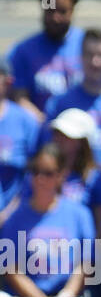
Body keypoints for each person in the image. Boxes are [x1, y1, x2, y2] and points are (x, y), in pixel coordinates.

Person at [0, 145, 96, 297]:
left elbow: (88, 262)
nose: (40, 179)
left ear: (61, 175)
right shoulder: (15, 218)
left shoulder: (80, 214)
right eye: (35, 171)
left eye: (48, 173)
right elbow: (10, 268)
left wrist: (67, 295)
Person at [46, 28, 101, 179]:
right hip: (76, 191)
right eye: (89, 54)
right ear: (80, 57)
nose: (95, 62)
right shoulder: (60, 103)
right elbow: (49, 151)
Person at [6, 0, 83, 119]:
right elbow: (19, 96)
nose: (55, 18)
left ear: (72, 11)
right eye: (50, 11)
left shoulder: (87, 46)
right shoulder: (23, 51)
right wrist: (43, 124)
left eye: (62, 11)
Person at [0, 57, 40, 206]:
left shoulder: (26, 121)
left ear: (8, 81)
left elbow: (34, 173)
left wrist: (8, 213)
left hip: (16, 215)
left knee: (22, 231)